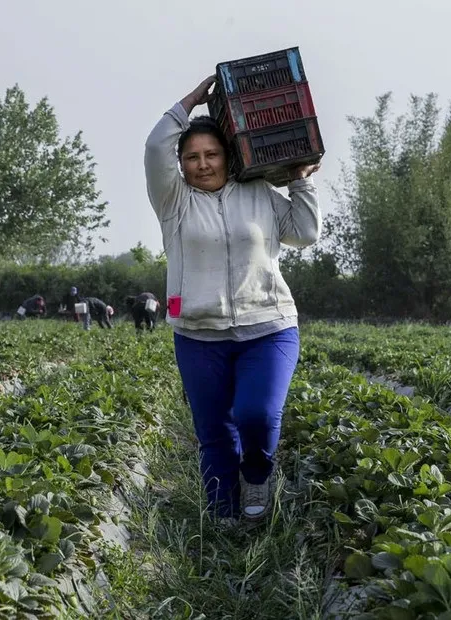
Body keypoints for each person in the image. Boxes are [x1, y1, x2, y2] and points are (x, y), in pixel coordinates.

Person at [144, 75, 321, 521]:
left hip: (270, 326)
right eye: (192, 157)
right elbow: (153, 147)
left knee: (257, 414)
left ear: (229, 155)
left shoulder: (257, 192)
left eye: (211, 154)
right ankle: (222, 514)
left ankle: (257, 476)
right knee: (215, 432)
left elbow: (304, 232)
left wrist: (300, 181)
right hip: (199, 334)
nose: (202, 164)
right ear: (180, 165)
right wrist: (189, 102)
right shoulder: (174, 203)